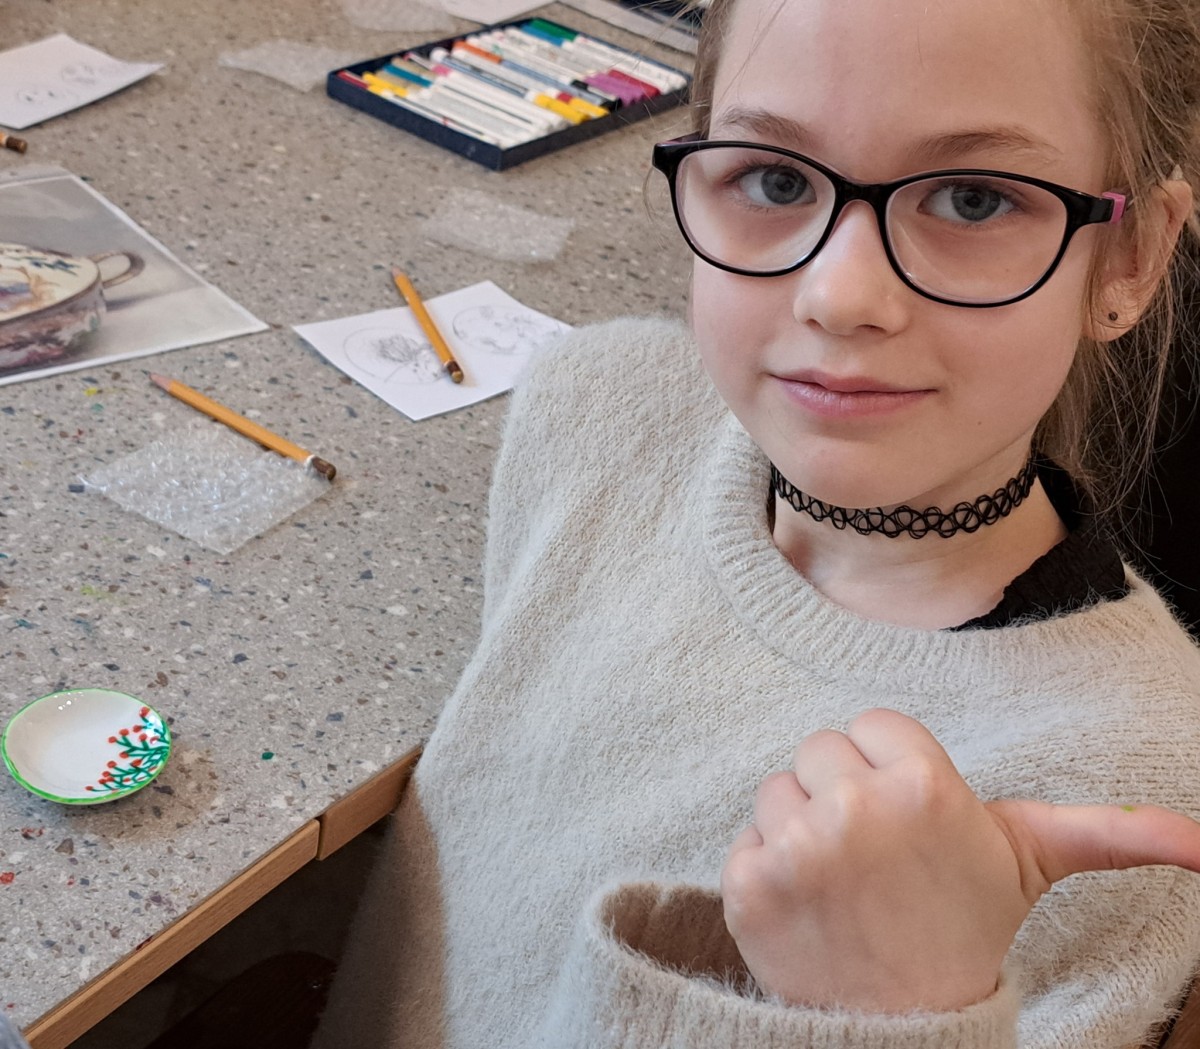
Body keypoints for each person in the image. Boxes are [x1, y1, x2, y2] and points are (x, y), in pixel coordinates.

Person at [312, 0, 1200, 1044]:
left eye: (973, 199)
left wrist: (898, 1011)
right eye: (775, 181)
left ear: (1132, 258)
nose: (841, 295)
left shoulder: (1138, 785)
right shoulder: (594, 411)